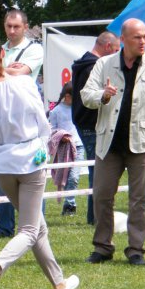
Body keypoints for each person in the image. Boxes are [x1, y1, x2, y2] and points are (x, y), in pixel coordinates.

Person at [0, 34, 79, 289]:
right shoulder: (24, 84)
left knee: (37, 227)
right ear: (3, 55)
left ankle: (59, 282)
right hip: (30, 161)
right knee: (29, 229)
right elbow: (43, 123)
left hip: (3, 165)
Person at [81, 18, 145, 266]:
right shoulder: (104, 64)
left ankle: (136, 249)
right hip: (109, 142)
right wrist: (102, 95)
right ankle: (102, 247)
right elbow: (86, 96)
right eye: (137, 37)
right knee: (102, 195)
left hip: (143, 143)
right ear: (122, 40)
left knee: (140, 199)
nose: (143, 41)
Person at [0, 10, 43, 240]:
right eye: (8, 26)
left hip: (26, 119)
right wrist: (8, 69)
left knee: (32, 172)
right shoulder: (1, 49)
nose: (11, 30)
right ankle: (5, 226)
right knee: (3, 173)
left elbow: (22, 73)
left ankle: (35, 226)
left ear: (25, 27)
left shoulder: (34, 49)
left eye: (16, 27)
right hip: (2, 116)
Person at [71, 31, 120, 225]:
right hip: (91, 123)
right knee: (98, 172)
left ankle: (95, 216)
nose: (117, 54)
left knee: (96, 170)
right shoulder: (94, 66)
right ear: (107, 47)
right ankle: (95, 217)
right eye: (116, 50)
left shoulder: (82, 64)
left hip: (83, 122)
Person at [48, 83, 83, 216]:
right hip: (63, 147)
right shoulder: (56, 111)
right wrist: (61, 135)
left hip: (78, 146)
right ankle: (68, 205)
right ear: (67, 96)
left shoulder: (78, 108)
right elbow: (52, 129)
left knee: (73, 177)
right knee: (64, 176)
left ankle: (70, 204)